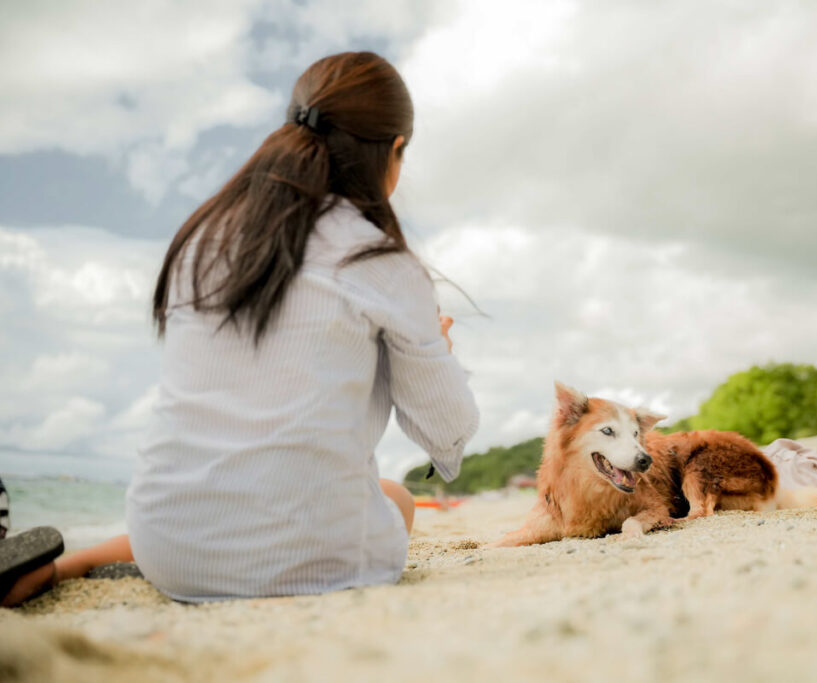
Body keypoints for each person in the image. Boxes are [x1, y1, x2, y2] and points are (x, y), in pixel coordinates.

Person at [0, 51, 478, 605]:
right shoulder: (381, 262)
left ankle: (73, 562)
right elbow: (447, 431)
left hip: (169, 550)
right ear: (393, 150)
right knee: (396, 498)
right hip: (317, 562)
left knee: (216, 497)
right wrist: (434, 353)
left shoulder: (205, 238)